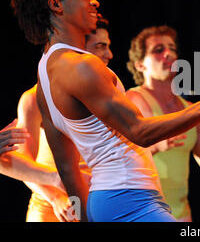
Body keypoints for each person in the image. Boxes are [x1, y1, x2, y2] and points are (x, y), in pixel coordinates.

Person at [10, 0, 200, 222]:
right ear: (56, 5)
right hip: (129, 199)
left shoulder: (44, 75)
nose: (95, 2)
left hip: (111, 200)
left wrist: (88, 218)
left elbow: (67, 168)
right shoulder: (81, 66)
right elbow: (140, 131)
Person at [1, 15, 115, 222]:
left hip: (97, 202)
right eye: (100, 46)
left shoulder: (109, 93)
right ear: (78, 50)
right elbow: (17, 162)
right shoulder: (34, 99)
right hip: (54, 208)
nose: (109, 54)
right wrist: (55, 196)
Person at [126, 26, 200, 222]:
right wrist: (154, 146)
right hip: (141, 213)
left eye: (172, 49)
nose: (168, 54)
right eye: (158, 50)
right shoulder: (133, 99)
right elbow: (113, 160)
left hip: (180, 216)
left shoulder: (191, 109)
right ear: (140, 64)